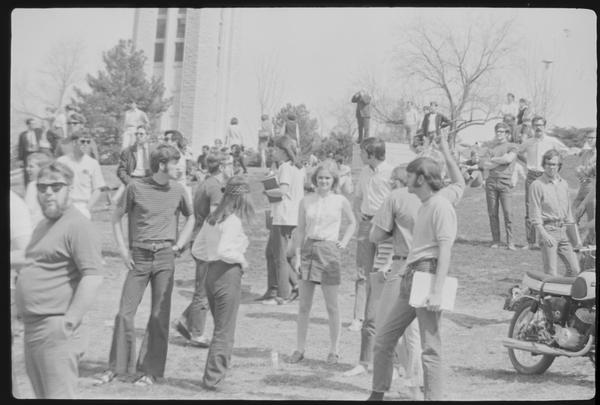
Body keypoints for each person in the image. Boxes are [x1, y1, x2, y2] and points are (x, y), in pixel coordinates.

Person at [367, 132, 465, 401]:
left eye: (409, 175)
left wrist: (436, 291)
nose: (404, 178)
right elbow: (460, 183)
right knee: (385, 338)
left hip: (427, 274)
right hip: (410, 276)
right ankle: (377, 394)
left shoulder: (440, 206)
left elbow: (445, 250)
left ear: (420, 178)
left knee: (430, 346)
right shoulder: (426, 203)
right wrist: (445, 150)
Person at [95, 145, 195, 387]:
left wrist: (180, 244)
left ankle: (151, 371)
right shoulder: (135, 187)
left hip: (165, 257)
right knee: (124, 313)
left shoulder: (179, 190)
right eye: (176, 163)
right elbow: (115, 217)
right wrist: (122, 250)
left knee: (159, 317)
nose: (181, 167)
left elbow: (191, 217)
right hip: (139, 257)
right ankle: (117, 368)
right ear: (162, 165)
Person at [15, 161, 104, 398]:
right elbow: (32, 262)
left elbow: (93, 277)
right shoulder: (43, 226)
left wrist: (69, 322)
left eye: (56, 187)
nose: (48, 193)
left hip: (56, 327)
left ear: (70, 189)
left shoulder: (78, 225)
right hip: (33, 327)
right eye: (42, 187)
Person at [364, 165, 424, 400]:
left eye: (393, 180)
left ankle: (383, 387)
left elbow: (375, 235)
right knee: (415, 332)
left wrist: (385, 227)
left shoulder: (395, 198)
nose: (390, 184)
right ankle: (415, 383)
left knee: (385, 327)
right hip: (426, 266)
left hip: (402, 264)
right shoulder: (430, 200)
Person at [189, 175, 254, 389]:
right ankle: (214, 378)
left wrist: (210, 258)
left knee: (220, 328)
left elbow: (197, 249)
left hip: (211, 273)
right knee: (225, 331)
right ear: (242, 198)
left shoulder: (212, 218)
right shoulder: (232, 221)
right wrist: (242, 261)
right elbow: (226, 250)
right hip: (228, 274)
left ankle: (214, 375)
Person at [288, 165, 356, 364]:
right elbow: (300, 230)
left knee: (332, 306)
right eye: (320, 178)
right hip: (308, 249)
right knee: (304, 305)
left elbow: (353, 223)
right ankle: (299, 349)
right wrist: (298, 256)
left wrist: (344, 242)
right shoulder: (306, 201)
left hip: (328, 251)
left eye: (327, 178)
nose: (323, 181)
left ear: (333, 180)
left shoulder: (340, 200)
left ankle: (334, 350)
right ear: (315, 179)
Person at [174, 152, 227, 348]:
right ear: (222, 167)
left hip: (200, 238)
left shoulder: (205, 183)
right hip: (207, 241)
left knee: (208, 287)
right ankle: (196, 333)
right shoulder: (215, 187)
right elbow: (215, 217)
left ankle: (186, 320)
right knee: (204, 290)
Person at [350, 137, 393, 333]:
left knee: (382, 272)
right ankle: (358, 317)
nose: (360, 154)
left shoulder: (391, 172)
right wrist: (357, 211)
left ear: (372, 154)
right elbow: (358, 196)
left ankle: (378, 317)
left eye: (362, 151)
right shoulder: (364, 172)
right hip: (366, 224)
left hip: (385, 227)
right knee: (362, 272)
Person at [259, 136, 305, 304]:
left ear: (283, 151)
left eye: (276, 149)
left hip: (283, 216)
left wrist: (267, 191)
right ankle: (294, 285)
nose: (273, 152)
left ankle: (282, 295)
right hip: (292, 215)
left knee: (280, 257)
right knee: (273, 253)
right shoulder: (299, 168)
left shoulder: (285, 167)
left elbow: (283, 191)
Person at [517, 116, 570, 250]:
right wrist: (527, 162)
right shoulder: (528, 142)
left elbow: (565, 151)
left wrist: (556, 164)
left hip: (546, 176)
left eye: (540, 125)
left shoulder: (551, 141)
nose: (538, 127)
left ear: (544, 127)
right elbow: (518, 152)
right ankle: (531, 242)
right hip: (532, 175)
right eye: (535, 125)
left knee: (549, 207)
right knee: (530, 208)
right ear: (532, 127)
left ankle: (550, 238)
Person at [529, 150, 580, 276]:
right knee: (551, 273)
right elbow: (535, 212)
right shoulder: (537, 185)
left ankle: (564, 288)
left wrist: (576, 238)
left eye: (554, 164)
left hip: (564, 231)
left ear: (559, 166)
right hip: (548, 230)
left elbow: (568, 213)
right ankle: (549, 289)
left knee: (575, 270)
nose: (551, 167)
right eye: (548, 164)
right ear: (544, 165)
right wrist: (544, 235)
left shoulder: (564, 184)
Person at [481, 122, 518, 250]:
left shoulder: (512, 146)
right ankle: (496, 240)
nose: (499, 134)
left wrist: (493, 160)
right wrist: (500, 160)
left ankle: (510, 242)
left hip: (505, 182)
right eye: (497, 131)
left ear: (507, 133)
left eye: (502, 131)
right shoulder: (490, 148)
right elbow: (485, 165)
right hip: (491, 182)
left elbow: (508, 159)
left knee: (508, 213)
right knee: (492, 213)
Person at [56, 131, 106, 219]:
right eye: (82, 141)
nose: (85, 144)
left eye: (88, 142)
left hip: (83, 205)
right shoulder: (61, 162)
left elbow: (98, 189)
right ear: (74, 143)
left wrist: (87, 209)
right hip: (65, 205)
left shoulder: (93, 163)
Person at [113, 125, 153, 205]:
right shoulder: (128, 151)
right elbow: (121, 170)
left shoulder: (154, 151)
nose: (138, 136)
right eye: (136, 134)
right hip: (133, 179)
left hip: (149, 181)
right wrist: (129, 182)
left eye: (141, 134)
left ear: (148, 136)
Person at [573, 130, 596, 225]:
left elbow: (590, 171)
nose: (589, 140)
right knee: (573, 213)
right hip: (584, 185)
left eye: (592, 138)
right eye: (588, 138)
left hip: (593, 187)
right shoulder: (586, 153)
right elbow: (577, 170)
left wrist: (584, 171)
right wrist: (581, 172)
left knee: (591, 216)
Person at [24, 152, 53, 226]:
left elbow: (28, 211)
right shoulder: (32, 185)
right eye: (27, 166)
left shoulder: (33, 186)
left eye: (31, 166)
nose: (27, 169)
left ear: (41, 168)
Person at [163, 130, 194, 199]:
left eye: (167, 139)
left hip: (176, 194)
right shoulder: (171, 155)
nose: (164, 142)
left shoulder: (178, 157)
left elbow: (175, 177)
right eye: (164, 139)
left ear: (175, 141)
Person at [18, 118, 44, 186]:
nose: (34, 125)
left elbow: (45, 127)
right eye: (32, 124)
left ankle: (39, 185)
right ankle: (28, 187)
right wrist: (20, 159)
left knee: (38, 170)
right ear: (28, 125)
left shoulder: (38, 131)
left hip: (37, 153)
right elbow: (20, 147)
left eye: (35, 123)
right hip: (27, 155)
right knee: (27, 172)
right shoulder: (22, 135)